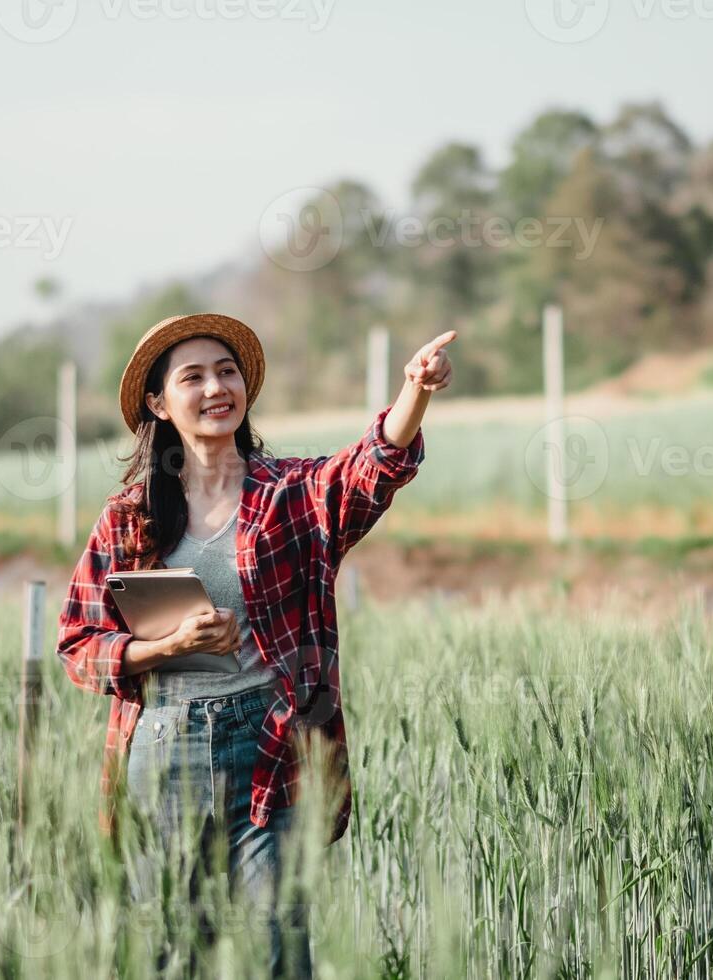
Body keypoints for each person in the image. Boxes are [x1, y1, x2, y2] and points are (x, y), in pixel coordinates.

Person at [55, 313, 455, 976]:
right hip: (163, 749)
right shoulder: (129, 515)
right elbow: (78, 644)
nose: (216, 387)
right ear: (159, 402)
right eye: (193, 377)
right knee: (173, 953)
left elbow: (370, 469)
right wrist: (167, 645)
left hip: (271, 748)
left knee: (280, 953)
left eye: (227, 371)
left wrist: (416, 391)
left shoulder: (293, 494)